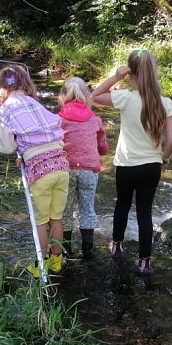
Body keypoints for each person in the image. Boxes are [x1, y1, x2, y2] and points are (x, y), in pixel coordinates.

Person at [91, 48, 172, 275]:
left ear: (131, 73)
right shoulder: (165, 103)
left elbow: (94, 96)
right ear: (154, 72)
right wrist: (164, 158)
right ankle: (145, 261)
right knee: (144, 212)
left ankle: (117, 245)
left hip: (127, 165)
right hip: (151, 166)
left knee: (122, 204)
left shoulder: (125, 98)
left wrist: (116, 76)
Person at [0, 64, 69, 276]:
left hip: (40, 171)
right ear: (26, 83)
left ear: (0, 88)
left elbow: (7, 147)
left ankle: (41, 265)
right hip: (62, 165)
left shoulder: (3, 112)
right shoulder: (35, 104)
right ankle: (57, 260)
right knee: (56, 218)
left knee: (41, 221)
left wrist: (24, 151)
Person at [57, 76, 109, 260]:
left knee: (65, 211)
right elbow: (103, 148)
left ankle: (66, 250)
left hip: (66, 170)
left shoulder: (58, 119)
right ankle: (88, 251)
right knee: (87, 209)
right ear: (87, 96)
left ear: (63, 97)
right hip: (89, 170)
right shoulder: (95, 120)